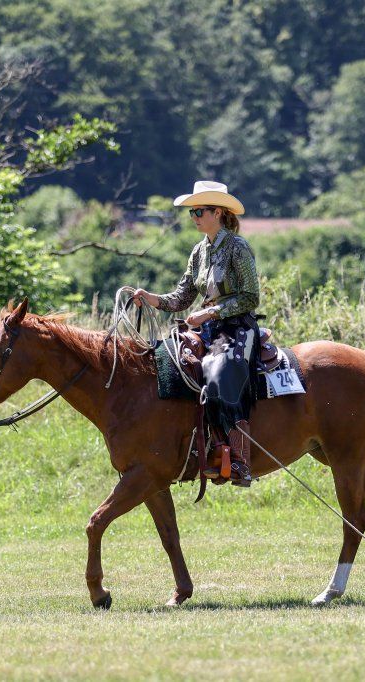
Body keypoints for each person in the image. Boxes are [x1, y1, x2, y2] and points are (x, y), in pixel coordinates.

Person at [133, 180, 260, 487]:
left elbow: (250, 297)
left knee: (220, 374)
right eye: (192, 212)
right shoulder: (199, 251)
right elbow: (181, 297)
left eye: (199, 211)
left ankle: (239, 460)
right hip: (207, 330)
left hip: (236, 327)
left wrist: (212, 312)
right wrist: (151, 298)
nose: (194, 217)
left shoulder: (237, 248)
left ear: (218, 212)